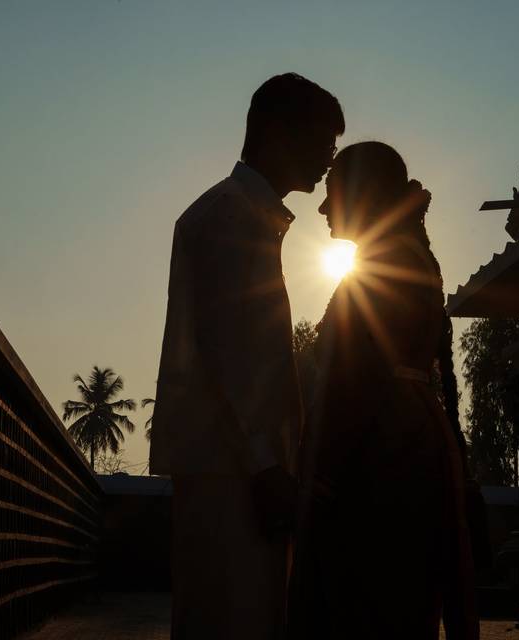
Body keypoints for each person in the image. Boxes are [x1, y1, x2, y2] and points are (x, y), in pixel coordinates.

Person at [149, 73, 344, 639]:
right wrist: (265, 467)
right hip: (234, 471)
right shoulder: (231, 218)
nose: (328, 162)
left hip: (236, 467)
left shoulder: (241, 215)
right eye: (323, 144)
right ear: (281, 133)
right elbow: (228, 358)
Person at [289, 141, 479, 640]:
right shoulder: (410, 258)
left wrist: (321, 480)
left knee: (368, 607)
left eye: (333, 194)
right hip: (408, 444)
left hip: (378, 459)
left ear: (362, 196)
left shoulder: (384, 267)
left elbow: (354, 382)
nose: (324, 208)